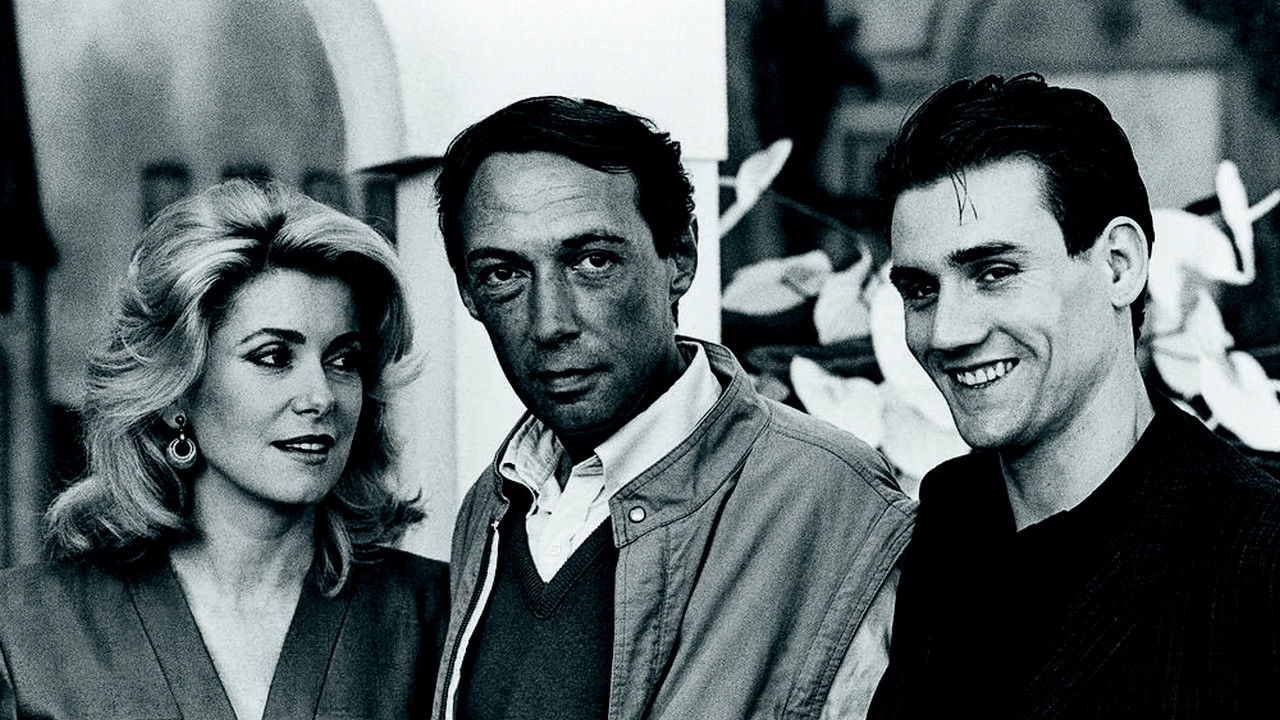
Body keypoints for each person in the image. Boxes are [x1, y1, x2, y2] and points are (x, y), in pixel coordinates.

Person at [430, 95, 915, 720]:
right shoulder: (492, 506)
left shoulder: (826, 495)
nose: (550, 322)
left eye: (593, 261)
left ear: (680, 258)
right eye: (503, 274)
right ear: (469, 293)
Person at [868, 73, 1280, 718]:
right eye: (921, 289)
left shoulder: (1256, 555)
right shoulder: (948, 525)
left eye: (995, 272)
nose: (946, 332)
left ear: (1119, 265)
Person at [0, 180, 448, 720]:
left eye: (344, 360)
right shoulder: (23, 629)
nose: (321, 396)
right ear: (176, 391)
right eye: (273, 356)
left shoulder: (438, 617)